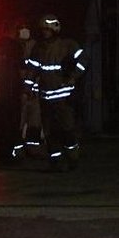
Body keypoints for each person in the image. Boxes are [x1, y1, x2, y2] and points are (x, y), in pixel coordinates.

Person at [24, 14, 86, 172]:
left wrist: (73, 77)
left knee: (67, 129)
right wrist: (27, 89)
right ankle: (55, 161)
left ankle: (73, 158)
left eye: (47, 30)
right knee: (49, 132)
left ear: (55, 30)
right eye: (43, 30)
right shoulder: (38, 48)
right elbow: (32, 70)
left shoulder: (67, 45)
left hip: (63, 98)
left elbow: (83, 60)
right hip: (45, 98)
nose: (45, 33)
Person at [0, 20, 26, 164]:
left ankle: (1, 154)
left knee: (1, 124)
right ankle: (10, 155)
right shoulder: (15, 46)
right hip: (12, 91)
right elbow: (21, 68)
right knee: (12, 123)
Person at [17, 22, 44, 157]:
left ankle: (31, 148)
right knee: (20, 121)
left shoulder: (36, 47)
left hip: (33, 92)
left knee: (34, 121)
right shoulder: (15, 47)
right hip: (22, 91)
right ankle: (19, 149)